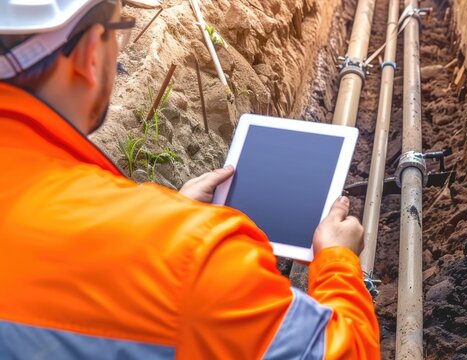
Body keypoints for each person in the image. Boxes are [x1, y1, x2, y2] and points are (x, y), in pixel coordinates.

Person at [0, 0, 380, 358]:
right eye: (118, 29)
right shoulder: (192, 259)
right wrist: (337, 259)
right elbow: (345, 351)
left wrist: (168, 215)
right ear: (88, 56)